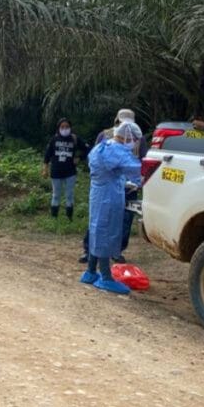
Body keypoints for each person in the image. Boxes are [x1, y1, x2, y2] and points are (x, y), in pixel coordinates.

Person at [81, 121, 143, 294]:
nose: (135, 143)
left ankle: (90, 271)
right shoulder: (117, 151)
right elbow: (138, 170)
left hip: (98, 193)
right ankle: (106, 277)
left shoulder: (101, 146)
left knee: (96, 230)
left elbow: (106, 172)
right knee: (106, 233)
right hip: (109, 197)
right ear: (128, 136)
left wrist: (124, 182)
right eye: (135, 139)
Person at [43, 117, 81, 220]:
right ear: (58, 128)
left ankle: (69, 218)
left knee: (69, 195)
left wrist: (79, 157)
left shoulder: (74, 139)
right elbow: (47, 155)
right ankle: (54, 218)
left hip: (70, 172)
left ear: (70, 128)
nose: (65, 129)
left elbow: (87, 149)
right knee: (56, 195)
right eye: (62, 127)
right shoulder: (54, 139)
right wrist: (45, 169)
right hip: (56, 172)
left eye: (67, 127)